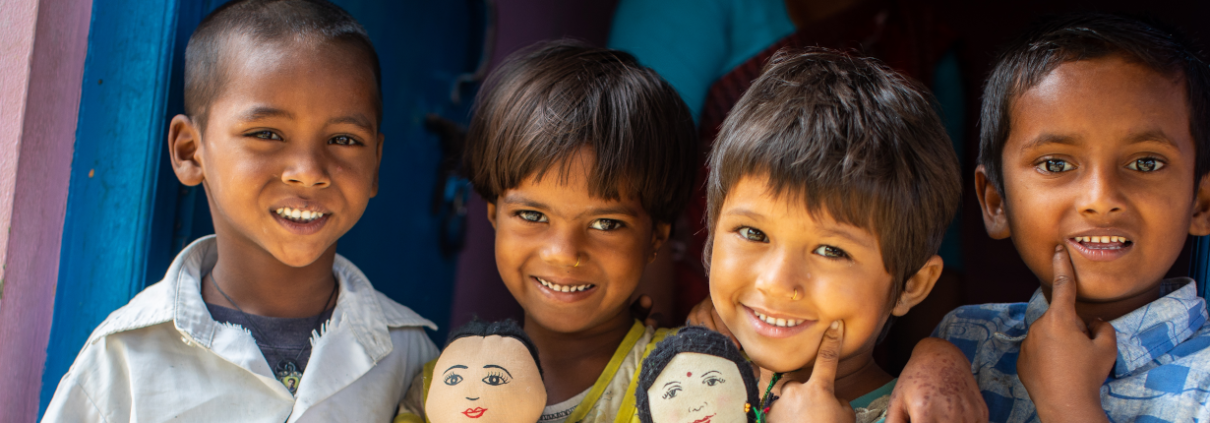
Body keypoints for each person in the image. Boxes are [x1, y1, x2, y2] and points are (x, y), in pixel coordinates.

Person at [41, 1, 438, 420]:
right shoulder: (124, 359)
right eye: (267, 134)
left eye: (343, 139)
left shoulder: (411, 356)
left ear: (375, 163)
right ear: (189, 151)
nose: (308, 173)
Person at [397, 40, 697, 423]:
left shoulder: (686, 385)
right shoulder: (438, 391)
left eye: (606, 224)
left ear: (656, 236)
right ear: (494, 214)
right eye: (532, 215)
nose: (563, 252)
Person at [932, 13, 1210, 422]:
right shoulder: (964, 341)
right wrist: (932, 356)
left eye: (1146, 163)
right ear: (996, 203)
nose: (1101, 199)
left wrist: (1069, 405)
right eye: (1056, 164)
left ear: (1201, 204)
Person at [702, 47, 971, 423]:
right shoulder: (680, 388)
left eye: (831, 251)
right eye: (752, 232)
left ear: (911, 285)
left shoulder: (922, 414)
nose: (777, 283)